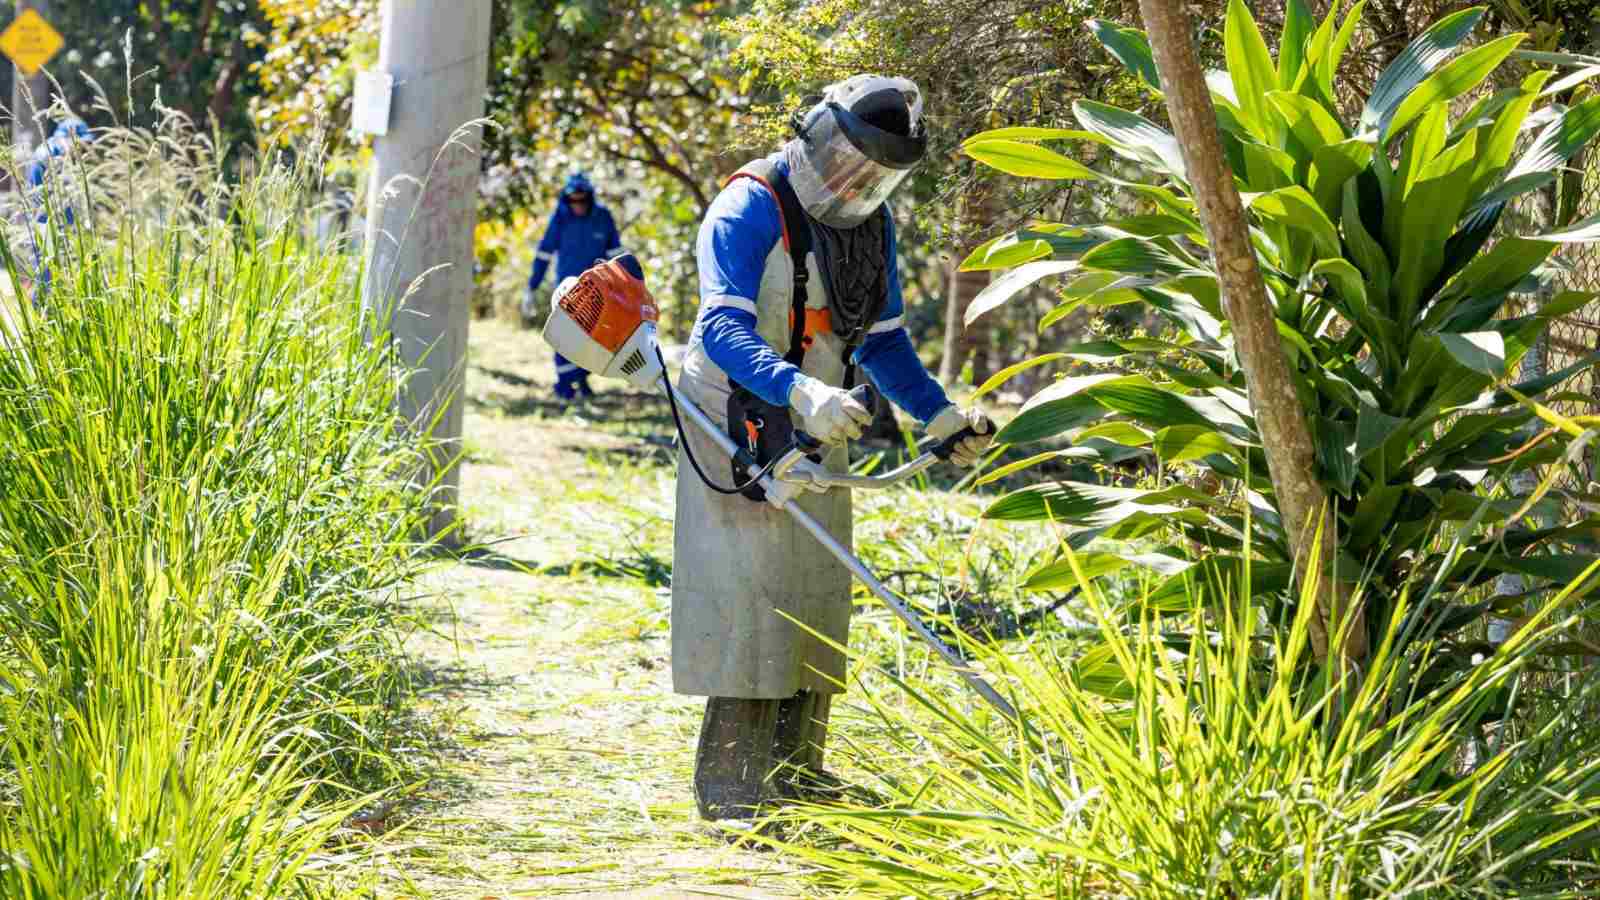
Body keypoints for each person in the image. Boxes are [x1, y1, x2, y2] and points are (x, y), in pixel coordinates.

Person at [672, 74, 995, 821]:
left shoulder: (867, 227)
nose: (853, 184)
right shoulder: (747, 206)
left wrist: (939, 418)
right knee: (751, 590)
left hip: (821, 410)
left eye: (874, 176)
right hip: (737, 413)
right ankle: (734, 790)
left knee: (815, 583)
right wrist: (799, 391)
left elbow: (880, 339)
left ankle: (798, 774)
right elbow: (722, 328)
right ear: (811, 134)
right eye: (845, 162)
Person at [524, 172, 621, 402]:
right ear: (566, 200)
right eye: (573, 200)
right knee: (565, 338)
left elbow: (615, 255)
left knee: (593, 340)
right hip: (568, 291)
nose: (577, 205)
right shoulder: (560, 218)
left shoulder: (603, 217)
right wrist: (532, 287)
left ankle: (582, 380)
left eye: (582, 199)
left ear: (589, 198)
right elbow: (544, 253)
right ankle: (565, 387)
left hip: (599, 292)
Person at [23, 117, 95, 300]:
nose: (83, 150)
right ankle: (42, 320)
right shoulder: (52, 154)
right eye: (81, 144)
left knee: (52, 277)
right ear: (69, 138)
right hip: (46, 226)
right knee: (46, 278)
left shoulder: (54, 152)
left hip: (50, 225)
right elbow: (55, 201)